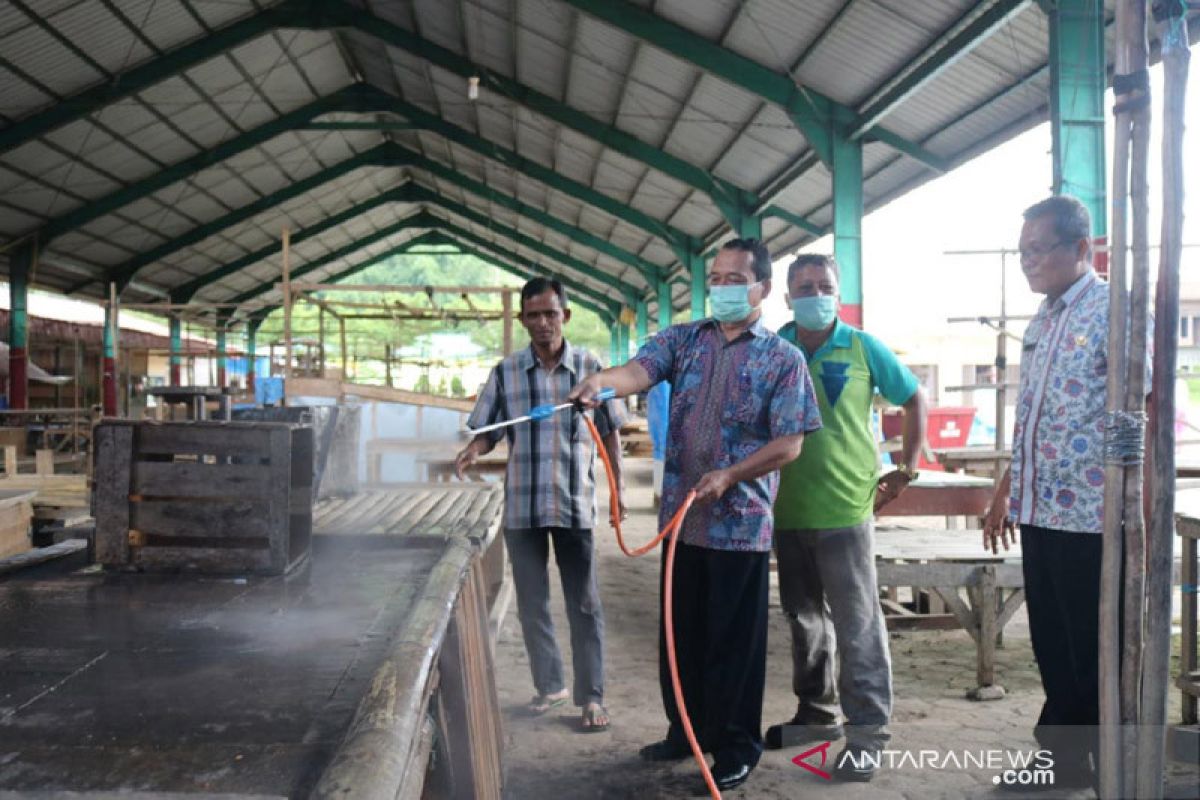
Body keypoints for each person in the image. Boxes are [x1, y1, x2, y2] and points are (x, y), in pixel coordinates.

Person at [570, 238, 822, 792]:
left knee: (734, 642)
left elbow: (790, 443)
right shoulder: (686, 340)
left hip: (740, 527)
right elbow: (639, 370)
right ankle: (686, 730)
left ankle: (736, 745)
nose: (722, 288)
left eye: (735, 279)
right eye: (717, 278)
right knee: (680, 634)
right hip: (682, 522)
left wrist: (731, 475)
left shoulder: (783, 359)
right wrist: (600, 383)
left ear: (762, 288)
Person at [983, 195, 1145, 789]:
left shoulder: (1114, 311)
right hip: (1041, 509)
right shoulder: (1042, 320)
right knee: (1051, 639)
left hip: (1093, 513)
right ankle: (1066, 758)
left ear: (1081, 249)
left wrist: (1137, 513)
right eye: (1022, 252)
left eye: (1039, 250)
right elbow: (1033, 416)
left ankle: (1111, 760)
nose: (1029, 262)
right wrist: (1005, 489)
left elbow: (1144, 410)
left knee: (1092, 643)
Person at [765, 254, 928, 781]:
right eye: (804, 288)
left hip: (847, 507)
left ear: (837, 293)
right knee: (803, 616)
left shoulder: (862, 346)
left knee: (858, 625)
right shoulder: (772, 349)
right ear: (787, 298)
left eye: (824, 286)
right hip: (786, 510)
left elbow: (913, 396)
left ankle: (867, 735)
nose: (815, 294)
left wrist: (906, 466)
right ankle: (816, 713)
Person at [455, 277, 626, 733]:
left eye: (551, 314)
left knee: (585, 604)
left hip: (575, 506)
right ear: (523, 319)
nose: (543, 323)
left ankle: (591, 697)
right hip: (524, 509)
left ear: (565, 316)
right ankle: (550, 687)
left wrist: (619, 490)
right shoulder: (506, 372)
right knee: (533, 602)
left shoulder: (591, 368)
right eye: (533, 315)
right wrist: (477, 448)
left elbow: (610, 430)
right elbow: (490, 428)